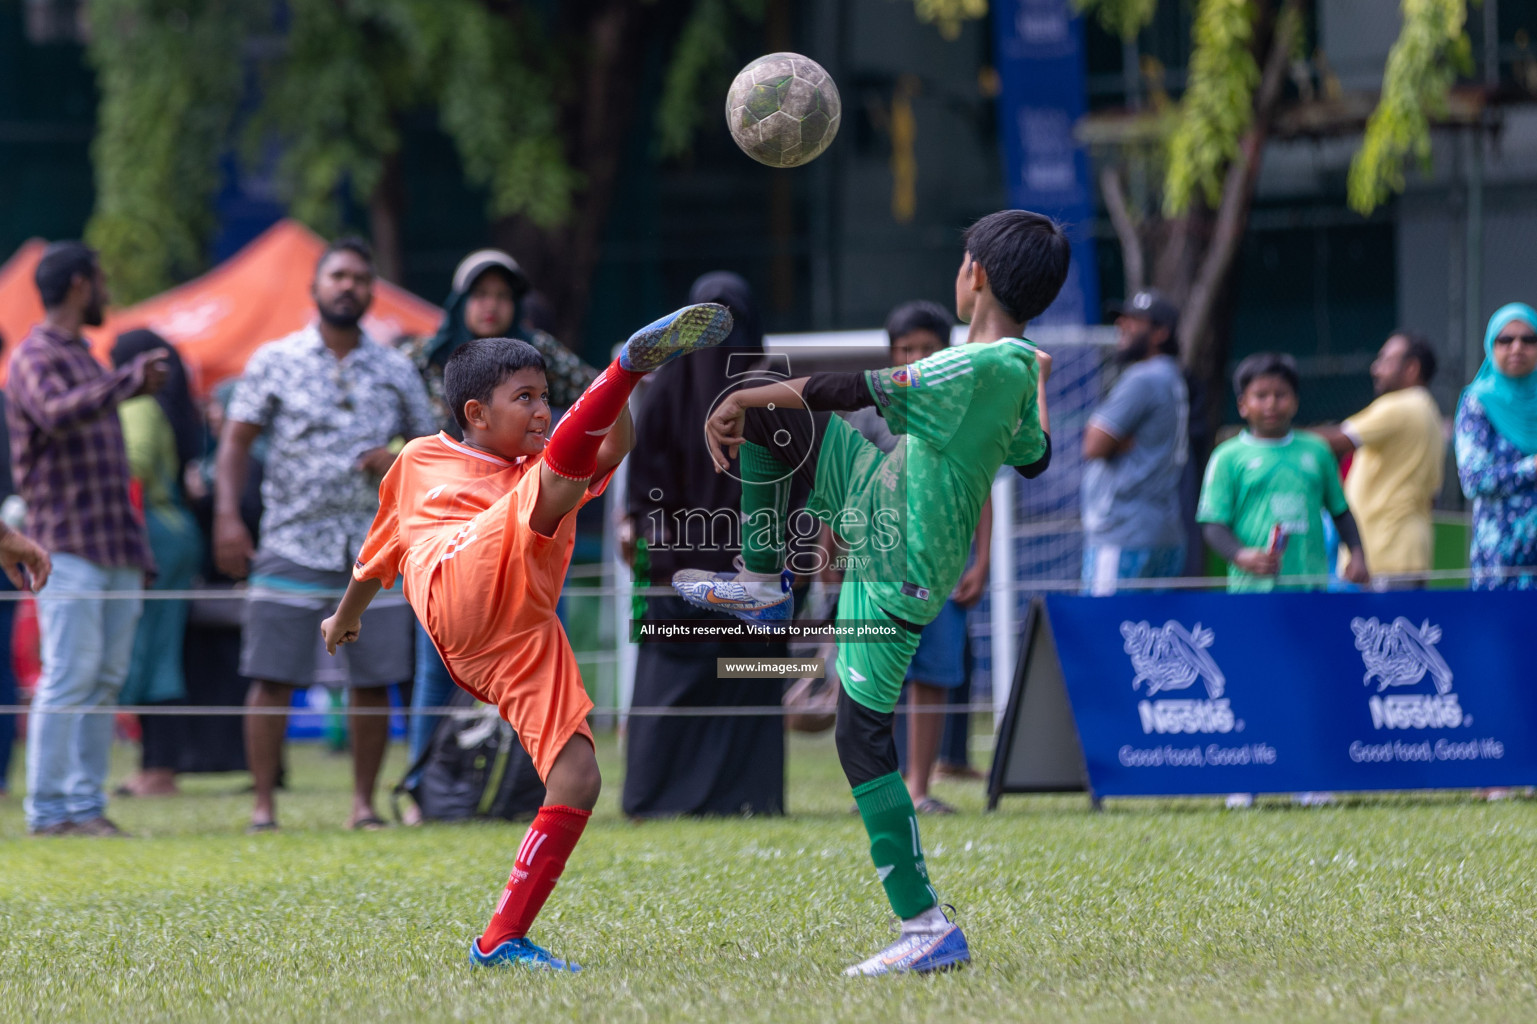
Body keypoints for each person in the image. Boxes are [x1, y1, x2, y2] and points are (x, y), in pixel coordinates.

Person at [672, 210, 1063, 976]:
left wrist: (742, 402)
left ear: (973, 273)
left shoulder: (978, 366)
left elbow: (851, 385)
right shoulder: (1011, 368)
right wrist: (756, 402)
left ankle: (925, 928)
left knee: (860, 738)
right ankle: (760, 583)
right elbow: (1038, 456)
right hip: (880, 497)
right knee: (767, 402)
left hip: (899, 563)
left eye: (959, 263)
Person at [322, 303, 734, 971]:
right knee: (543, 486)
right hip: (458, 575)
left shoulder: (540, 465)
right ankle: (625, 360)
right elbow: (378, 552)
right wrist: (346, 613)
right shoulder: (424, 459)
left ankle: (501, 939)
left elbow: (613, 446)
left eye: (546, 398)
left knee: (578, 778)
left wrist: (622, 391)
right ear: (475, 415)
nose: (541, 411)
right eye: (524, 398)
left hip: (520, 632)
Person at [214, 236, 436, 832]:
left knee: (374, 678)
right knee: (271, 676)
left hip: (376, 545)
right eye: (338, 276)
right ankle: (264, 807)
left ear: (371, 292)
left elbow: (429, 450)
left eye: (361, 278)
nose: (349, 287)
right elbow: (234, 442)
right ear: (315, 289)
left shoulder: (396, 366)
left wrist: (390, 457)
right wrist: (228, 517)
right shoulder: (274, 359)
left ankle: (362, 806)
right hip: (288, 540)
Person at [399, 250, 599, 818]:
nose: (492, 306)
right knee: (435, 675)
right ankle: (424, 791)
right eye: (480, 295)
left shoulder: (538, 356)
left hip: (527, 519)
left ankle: (535, 785)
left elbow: (591, 398)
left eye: (503, 296)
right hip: (446, 538)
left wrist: (603, 395)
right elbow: (397, 436)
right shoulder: (422, 356)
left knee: (536, 649)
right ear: (461, 303)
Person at [6, 241, 164, 837]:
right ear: (78, 285)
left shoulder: (86, 356)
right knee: (69, 674)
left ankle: (84, 806)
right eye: (99, 281)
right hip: (61, 545)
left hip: (113, 543)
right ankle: (48, 811)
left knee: (102, 678)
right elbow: (54, 412)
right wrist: (127, 382)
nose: (106, 293)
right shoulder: (33, 355)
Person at [621, 272, 790, 819]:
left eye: (730, 326)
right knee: (674, 683)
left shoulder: (774, 393)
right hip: (680, 568)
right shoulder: (668, 388)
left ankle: (749, 797)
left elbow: (797, 477)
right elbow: (645, 483)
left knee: (748, 684)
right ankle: (656, 799)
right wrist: (648, 537)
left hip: (756, 565)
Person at [843, 299, 991, 815]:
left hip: (943, 566)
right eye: (907, 349)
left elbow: (981, 490)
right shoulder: (868, 410)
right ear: (891, 354)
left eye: (928, 348)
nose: (917, 357)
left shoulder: (962, 408)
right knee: (876, 677)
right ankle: (879, 789)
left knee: (933, 676)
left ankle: (920, 787)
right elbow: (840, 485)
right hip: (877, 565)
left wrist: (982, 561)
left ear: (945, 351)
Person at [110, 330, 205, 797]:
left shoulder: (139, 406)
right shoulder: (168, 407)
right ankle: (156, 765)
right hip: (171, 534)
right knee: (156, 651)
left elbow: (134, 465)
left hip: (153, 537)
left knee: (151, 653)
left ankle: (160, 768)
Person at [1198, 352, 1370, 593]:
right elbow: (1213, 523)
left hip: (1311, 587)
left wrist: (1358, 554)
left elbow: (1340, 511)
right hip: (1253, 590)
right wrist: (1239, 554)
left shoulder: (1317, 450)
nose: (1271, 404)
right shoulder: (1227, 456)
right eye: (1260, 396)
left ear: (1295, 401)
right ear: (1242, 405)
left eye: (1280, 395)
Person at [1313, 332, 1444, 587]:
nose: (1376, 367)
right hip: (1404, 554)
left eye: (1385, 359)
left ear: (1412, 367)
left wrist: (1277, 438)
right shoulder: (1428, 409)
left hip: (1384, 557)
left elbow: (1337, 440)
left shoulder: (1400, 406)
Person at [1081, 289, 1189, 594]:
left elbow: (1093, 444)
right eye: (1122, 320)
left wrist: (1115, 440)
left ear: (1160, 333)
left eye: (1134, 322)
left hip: (1124, 533)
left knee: (1103, 634)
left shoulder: (1143, 378)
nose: (1122, 327)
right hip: (1162, 530)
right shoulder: (1172, 376)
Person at [1456, 303, 1537, 589]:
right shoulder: (1478, 402)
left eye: (1529, 339)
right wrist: (1532, 467)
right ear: (1491, 346)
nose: (1517, 348)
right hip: (1502, 565)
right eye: (1505, 340)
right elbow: (1474, 480)